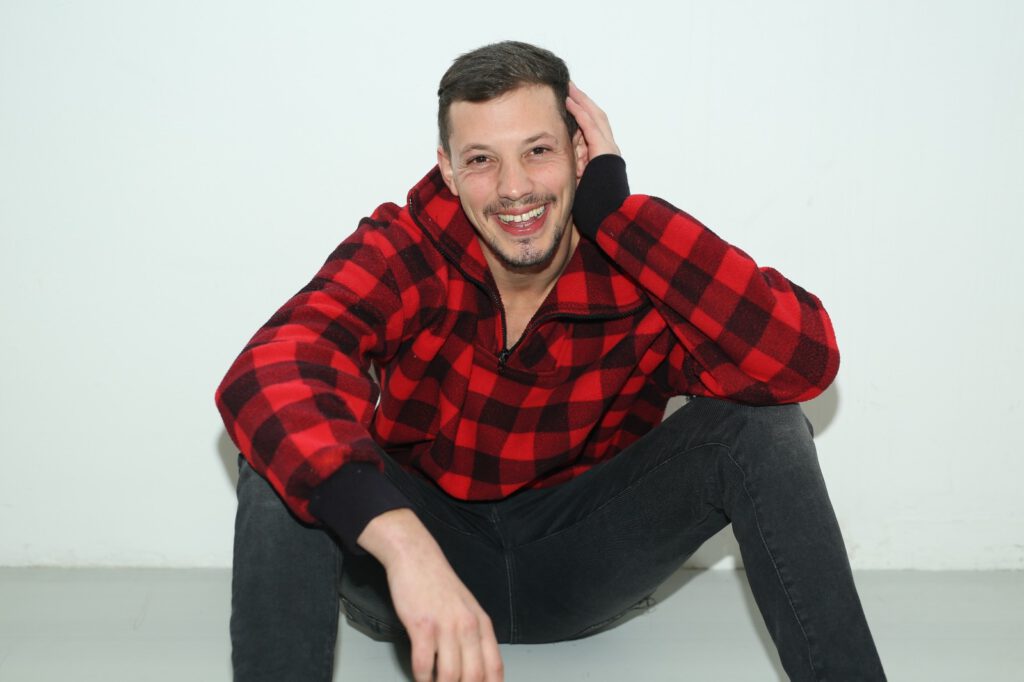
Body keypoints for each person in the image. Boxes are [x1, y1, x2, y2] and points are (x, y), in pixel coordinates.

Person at [216, 41, 885, 682]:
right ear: (448, 170)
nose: (514, 188)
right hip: (422, 562)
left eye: (538, 151)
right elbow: (273, 368)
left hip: (580, 560)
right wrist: (401, 542)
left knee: (764, 428)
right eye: (481, 159)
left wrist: (620, 215)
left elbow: (803, 361)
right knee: (286, 442)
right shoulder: (406, 248)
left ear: (579, 152)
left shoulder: (637, 264)